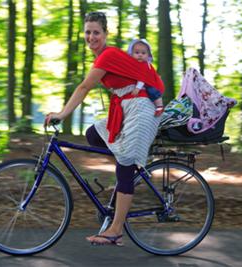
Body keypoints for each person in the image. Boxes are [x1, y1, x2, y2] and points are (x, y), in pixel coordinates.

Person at [45, 11, 164, 246]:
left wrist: (61, 114)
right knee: (93, 134)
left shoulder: (107, 55)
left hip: (141, 107)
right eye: (88, 32)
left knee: (125, 163)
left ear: (106, 34)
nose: (91, 37)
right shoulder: (103, 57)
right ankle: (125, 181)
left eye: (96, 32)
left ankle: (116, 230)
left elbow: (84, 87)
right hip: (126, 107)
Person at [127, 39, 164, 117]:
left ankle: (159, 106)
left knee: (152, 91)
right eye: (137, 52)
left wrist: (137, 88)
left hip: (150, 83)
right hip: (143, 83)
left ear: (148, 55)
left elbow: (142, 78)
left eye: (143, 53)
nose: (140, 55)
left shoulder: (145, 65)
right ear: (131, 54)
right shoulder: (134, 65)